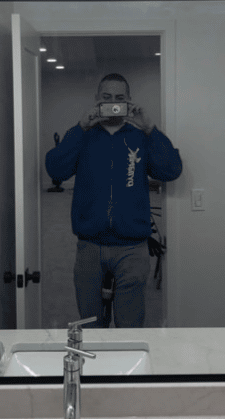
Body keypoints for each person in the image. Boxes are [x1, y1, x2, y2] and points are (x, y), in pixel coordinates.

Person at [45, 73, 182, 328]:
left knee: (130, 327)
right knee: (90, 327)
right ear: (96, 99)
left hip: (132, 248)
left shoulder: (140, 136)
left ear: (129, 101)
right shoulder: (83, 135)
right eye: (106, 97)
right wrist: (80, 128)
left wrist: (150, 129)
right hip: (90, 246)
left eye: (119, 98)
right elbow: (56, 170)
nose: (113, 103)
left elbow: (171, 170)